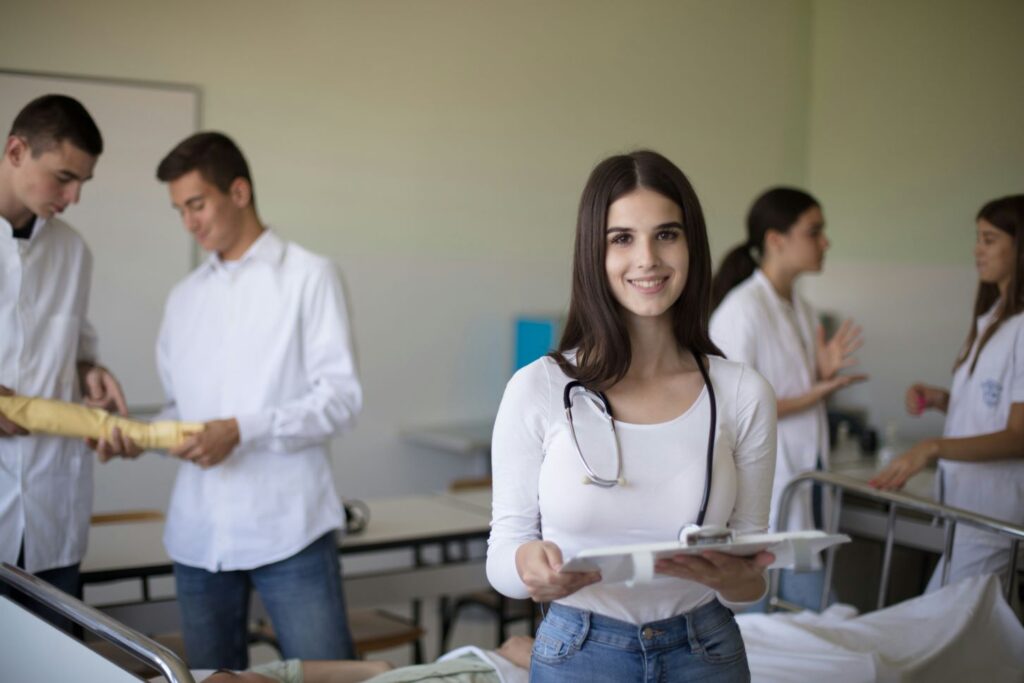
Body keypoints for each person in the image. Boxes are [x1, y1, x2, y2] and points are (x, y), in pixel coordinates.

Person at [487, 150, 777, 682]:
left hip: (706, 652)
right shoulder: (539, 389)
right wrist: (528, 569)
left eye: (666, 234)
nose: (647, 258)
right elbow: (504, 555)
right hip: (579, 650)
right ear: (592, 254)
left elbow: (751, 581)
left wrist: (736, 580)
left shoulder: (741, 393)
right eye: (621, 238)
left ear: (692, 246)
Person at [106, 131, 363, 669]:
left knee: (330, 679)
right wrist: (140, 435)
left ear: (239, 192)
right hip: (199, 538)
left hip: (290, 531)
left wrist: (241, 429)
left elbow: (341, 400)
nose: (189, 223)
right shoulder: (185, 299)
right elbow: (182, 411)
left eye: (197, 204)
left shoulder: (309, 277)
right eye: (179, 210)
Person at [0, 94, 128, 627]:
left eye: (82, 184)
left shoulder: (73, 251)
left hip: (53, 517)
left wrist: (90, 373)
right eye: (63, 177)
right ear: (15, 151)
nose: (73, 197)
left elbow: (74, 347)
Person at [709, 187, 866, 610]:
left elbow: (783, 388)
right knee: (787, 610)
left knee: (803, 610)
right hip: (769, 486)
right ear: (776, 240)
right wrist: (811, 395)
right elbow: (731, 411)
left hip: (804, 476)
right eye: (814, 232)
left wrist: (820, 374)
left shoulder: (801, 307)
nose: (825, 242)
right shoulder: (740, 312)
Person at [871, 195, 1024, 591]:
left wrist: (932, 447)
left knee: (950, 624)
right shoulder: (995, 321)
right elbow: (994, 411)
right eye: (977, 238)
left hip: (995, 511)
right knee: (948, 621)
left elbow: (1019, 434)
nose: (977, 250)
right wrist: (944, 400)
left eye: (989, 240)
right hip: (968, 509)